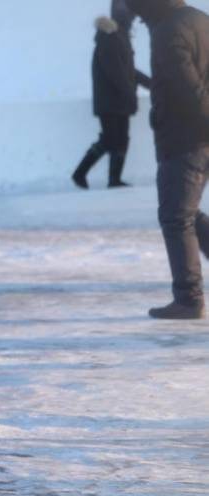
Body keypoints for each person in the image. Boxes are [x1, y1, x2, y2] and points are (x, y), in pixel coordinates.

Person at [126, 0, 209, 319]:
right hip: (196, 135)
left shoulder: (168, 30)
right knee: (185, 212)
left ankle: (189, 299)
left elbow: (185, 90)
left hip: (186, 137)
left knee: (175, 217)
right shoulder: (199, 19)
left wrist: (161, 116)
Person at [72, 2, 151, 189]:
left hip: (118, 100)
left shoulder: (120, 37)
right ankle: (80, 173)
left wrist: (151, 84)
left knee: (121, 138)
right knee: (110, 139)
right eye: (131, 17)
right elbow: (116, 71)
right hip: (110, 100)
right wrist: (129, 92)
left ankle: (114, 179)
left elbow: (128, 70)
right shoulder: (110, 37)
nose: (133, 21)